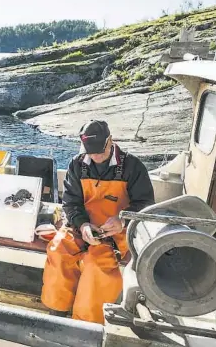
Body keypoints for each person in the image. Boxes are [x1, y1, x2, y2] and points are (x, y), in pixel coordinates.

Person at [41, 119, 155, 324]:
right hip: (80, 226)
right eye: (90, 152)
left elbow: (146, 205)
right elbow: (70, 202)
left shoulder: (133, 166)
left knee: (96, 265)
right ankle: (57, 312)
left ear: (110, 141)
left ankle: (86, 324)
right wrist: (83, 225)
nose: (95, 157)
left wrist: (122, 219)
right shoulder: (76, 164)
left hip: (116, 232)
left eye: (99, 152)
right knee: (58, 250)